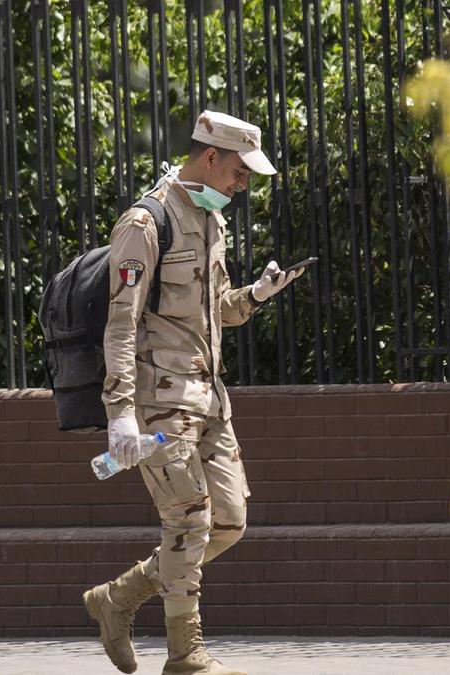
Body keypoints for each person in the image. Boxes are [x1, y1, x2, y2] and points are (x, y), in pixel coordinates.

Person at [82, 110, 305, 675]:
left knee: (228, 520)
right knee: (189, 521)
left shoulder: (211, 222)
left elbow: (216, 310)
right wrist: (120, 415)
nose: (244, 184)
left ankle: (120, 598)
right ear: (210, 157)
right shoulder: (145, 223)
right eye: (239, 171)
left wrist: (256, 294)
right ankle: (186, 653)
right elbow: (121, 324)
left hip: (209, 399)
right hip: (159, 403)